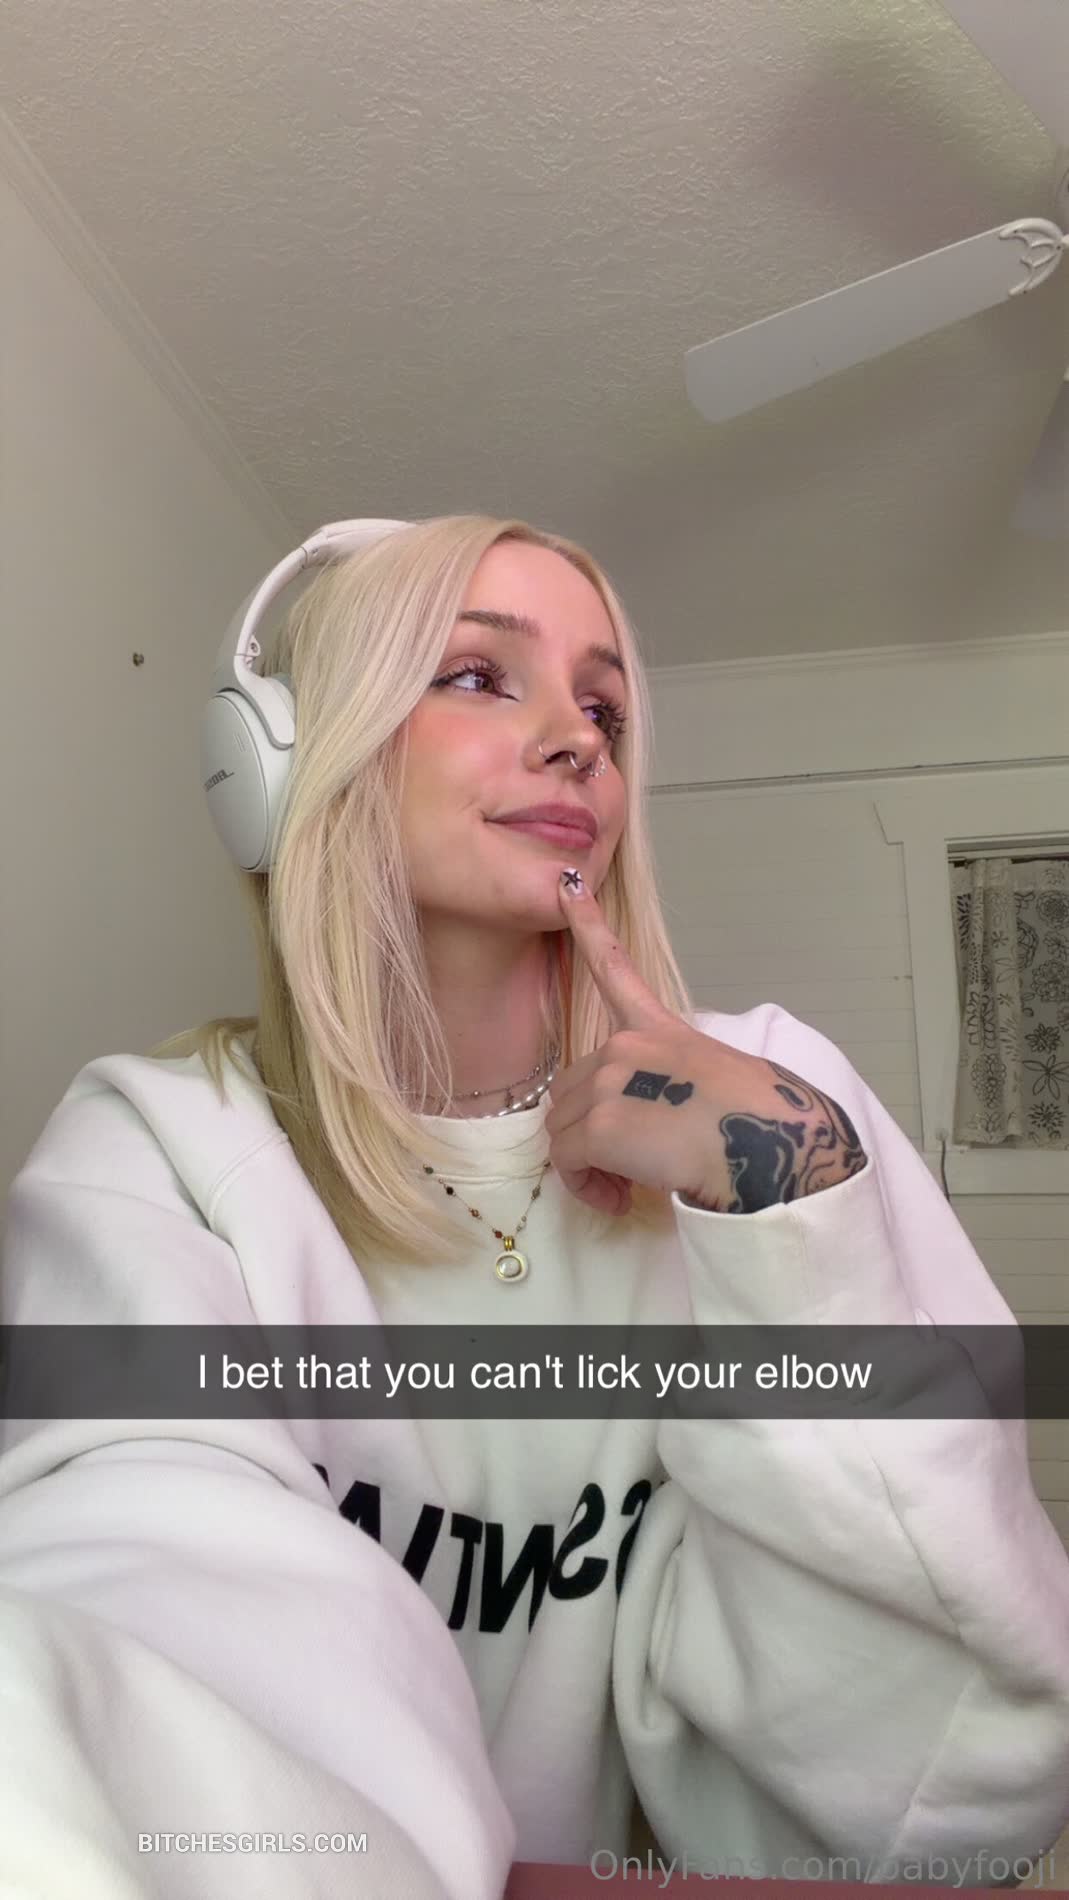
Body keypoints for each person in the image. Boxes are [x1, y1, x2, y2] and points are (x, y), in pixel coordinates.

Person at [2, 514, 1068, 1900]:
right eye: (475, 675)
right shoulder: (160, 1148)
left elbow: (955, 1779)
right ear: (280, 764)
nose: (576, 740)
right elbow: (130, 1617)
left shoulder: (775, 1098)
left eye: (603, 708)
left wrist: (789, 1211)